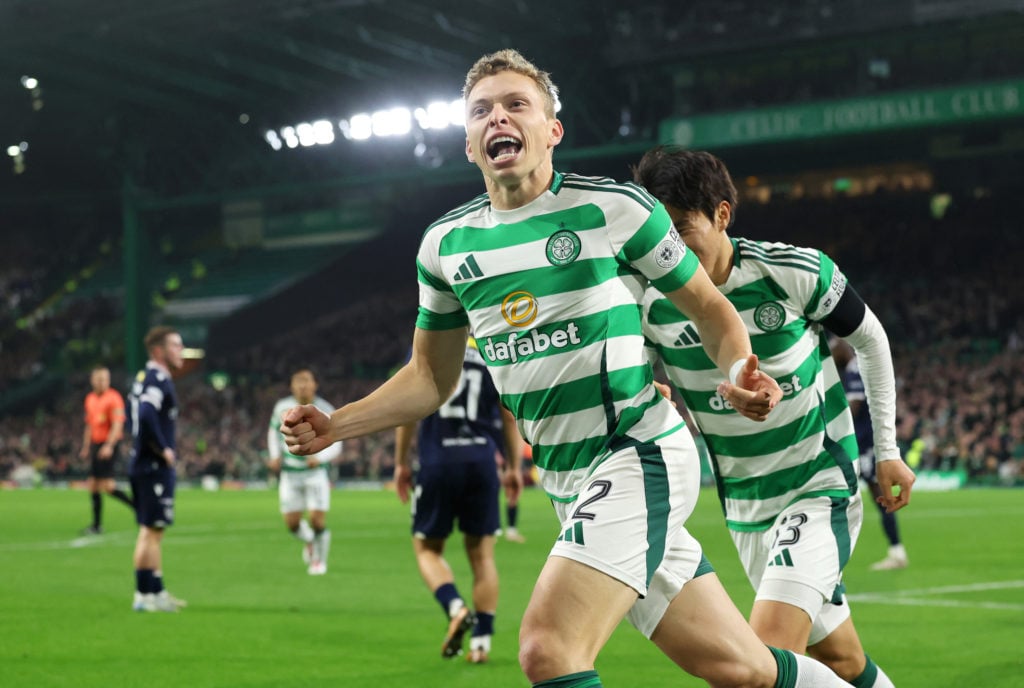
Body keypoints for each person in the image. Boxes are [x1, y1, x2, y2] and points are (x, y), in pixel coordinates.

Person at [283, 49, 853, 688]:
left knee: (548, 650)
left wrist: (743, 367)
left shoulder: (616, 209)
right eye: (481, 111)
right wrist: (337, 424)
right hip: (566, 482)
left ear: (552, 130)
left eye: (515, 105)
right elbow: (430, 376)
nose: (498, 117)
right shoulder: (444, 247)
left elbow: (712, 308)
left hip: (637, 452)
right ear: (469, 143)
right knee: (741, 667)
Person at [634, 147, 917, 686]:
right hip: (745, 510)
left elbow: (871, 340)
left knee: (759, 661)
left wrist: (887, 452)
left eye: (679, 227)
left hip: (817, 488)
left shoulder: (791, 270)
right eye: (657, 233)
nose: (668, 247)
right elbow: (645, 383)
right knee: (843, 663)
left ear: (722, 214)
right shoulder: (650, 303)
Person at [393, 337, 523, 663]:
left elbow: (407, 408)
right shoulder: (491, 351)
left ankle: (455, 607)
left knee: (426, 549)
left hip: (438, 461)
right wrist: (513, 467)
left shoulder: (431, 343)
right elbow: (508, 416)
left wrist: (401, 463)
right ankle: (481, 644)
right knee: (482, 557)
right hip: (482, 462)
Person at [831, 338, 910, 571]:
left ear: (841, 347)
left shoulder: (855, 367)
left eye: (832, 348)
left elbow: (853, 409)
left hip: (864, 444)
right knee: (872, 497)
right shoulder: (858, 366)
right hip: (866, 443)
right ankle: (896, 551)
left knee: (873, 496)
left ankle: (896, 551)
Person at [127, 325, 187, 613]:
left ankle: (157, 591)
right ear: (158, 351)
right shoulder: (156, 379)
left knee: (154, 531)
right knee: (149, 532)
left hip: (145, 464)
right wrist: (163, 448)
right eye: (175, 345)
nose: (181, 351)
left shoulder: (147, 378)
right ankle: (142, 595)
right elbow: (147, 414)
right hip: (152, 466)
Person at [267, 367, 341, 575]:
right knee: (292, 524)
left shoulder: (325, 409)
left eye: (306, 381)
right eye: (297, 381)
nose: (301, 385)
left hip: (315, 475)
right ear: (291, 386)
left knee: (317, 521)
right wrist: (274, 455)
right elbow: (273, 433)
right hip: (290, 474)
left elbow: (337, 442)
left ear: (315, 385)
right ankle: (310, 541)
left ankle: (319, 562)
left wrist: (319, 458)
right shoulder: (282, 407)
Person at [79, 365, 134, 534]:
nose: (103, 382)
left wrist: (109, 445)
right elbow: (89, 424)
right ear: (92, 380)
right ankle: (96, 525)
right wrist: (86, 446)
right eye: (99, 379)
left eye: (105, 379)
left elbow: (118, 424)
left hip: (109, 444)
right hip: (96, 445)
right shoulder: (90, 399)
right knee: (93, 486)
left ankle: (138, 506)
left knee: (108, 486)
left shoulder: (114, 398)